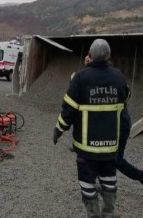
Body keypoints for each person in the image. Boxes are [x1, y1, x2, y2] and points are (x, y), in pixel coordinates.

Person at [53, 39, 129, 217]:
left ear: (90, 55)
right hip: (110, 146)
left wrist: (58, 129)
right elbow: (126, 98)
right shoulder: (119, 76)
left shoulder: (80, 78)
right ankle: (109, 212)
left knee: (87, 181)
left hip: (86, 148)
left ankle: (91, 214)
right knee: (109, 178)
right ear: (109, 56)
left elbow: (68, 111)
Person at [84, 55, 143, 184]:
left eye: (90, 57)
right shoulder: (109, 75)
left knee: (116, 159)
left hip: (119, 123)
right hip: (113, 122)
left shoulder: (107, 77)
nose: (87, 58)